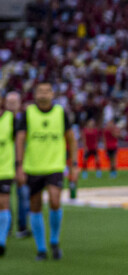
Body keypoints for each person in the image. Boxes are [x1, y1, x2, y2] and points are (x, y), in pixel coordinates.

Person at [15, 81, 79, 260]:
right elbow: (20, 140)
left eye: (47, 91)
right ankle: (41, 249)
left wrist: (74, 164)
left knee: (55, 199)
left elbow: (71, 140)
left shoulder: (60, 113)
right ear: (35, 95)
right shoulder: (28, 114)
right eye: (40, 91)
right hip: (33, 167)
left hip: (55, 166)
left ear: (53, 94)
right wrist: (19, 166)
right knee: (35, 206)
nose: (43, 94)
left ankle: (54, 240)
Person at [0, 92, 25, 255]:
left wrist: (19, 166)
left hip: (5, 169)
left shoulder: (12, 119)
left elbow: (19, 143)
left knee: (5, 204)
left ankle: (2, 240)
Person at [4, 92, 31, 239]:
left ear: (19, 103)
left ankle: (22, 226)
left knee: (23, 196)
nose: (12, 105)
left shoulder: (24, 119)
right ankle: (6, 226)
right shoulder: (3, 120)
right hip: (5, 165)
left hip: (21, 164)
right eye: (9, 102)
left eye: (14, 102)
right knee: (5, 199)